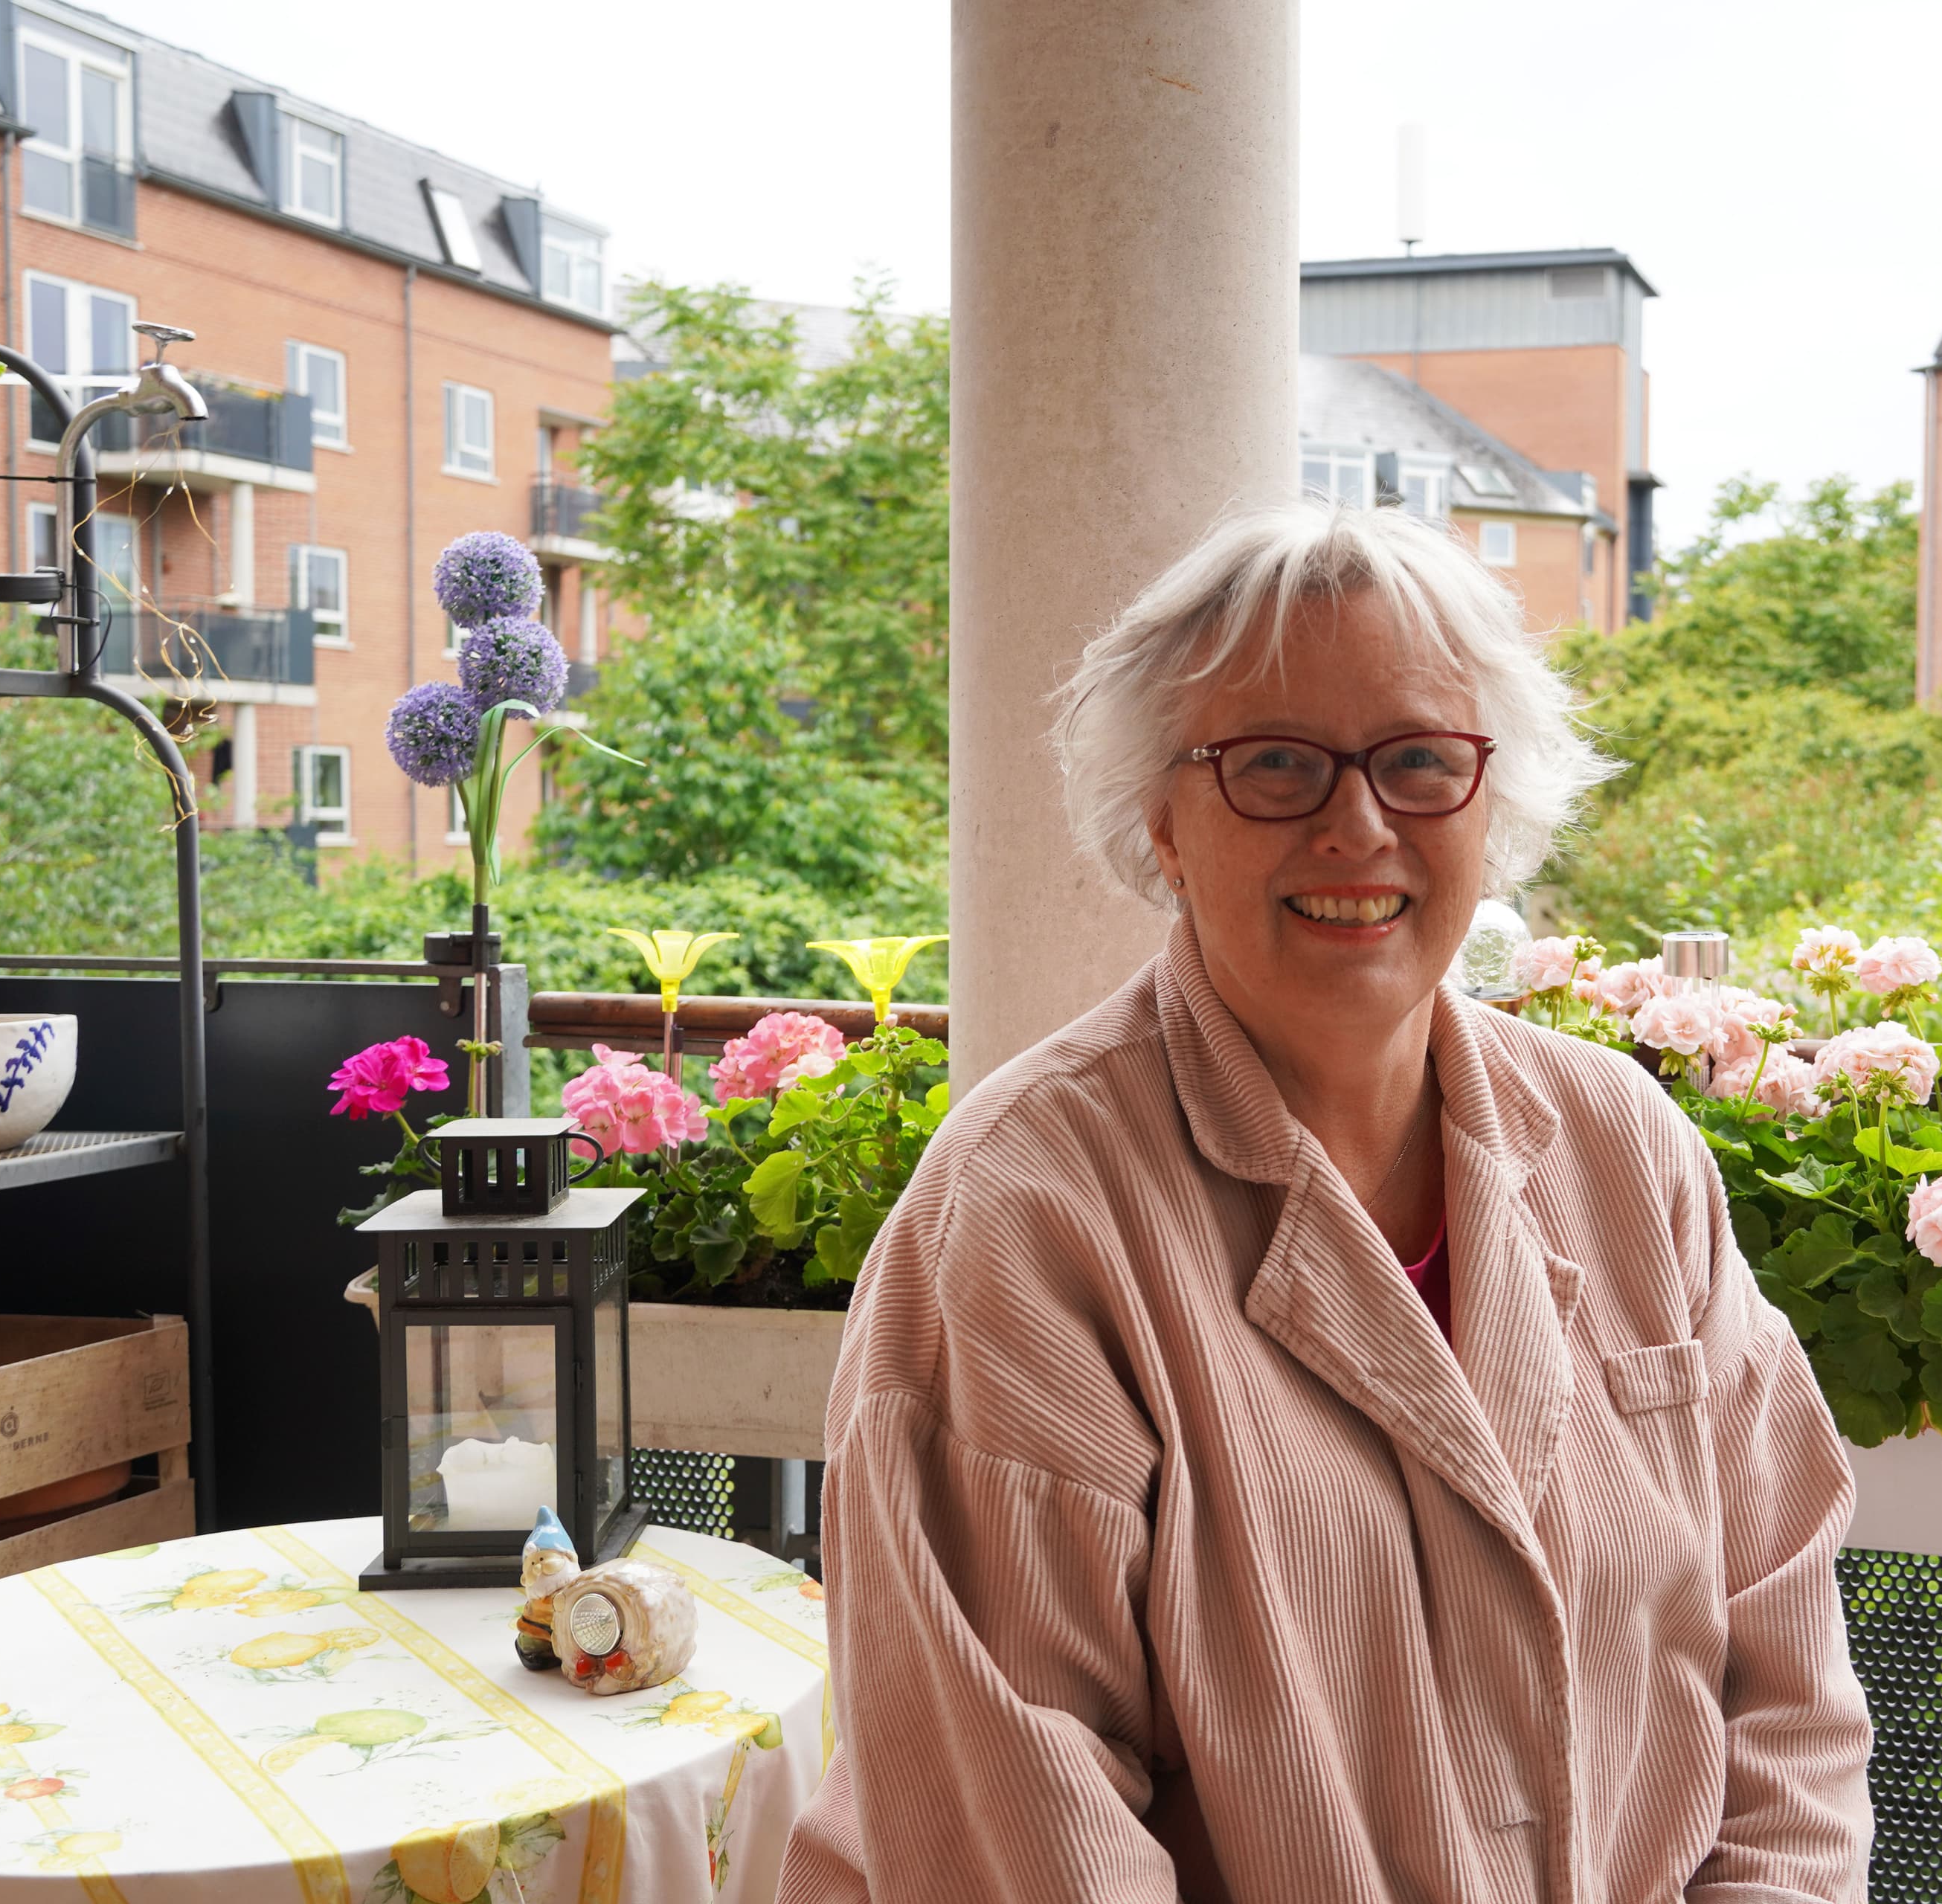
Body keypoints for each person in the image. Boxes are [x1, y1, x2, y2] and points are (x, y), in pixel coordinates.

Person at [779, 501, 1874, 1903]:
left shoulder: (1628, 1149)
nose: (1358, 824)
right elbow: (1029, 1837)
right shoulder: (1025, 1219)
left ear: (1491, 804)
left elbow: (1786, 1683)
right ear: (1164, 822)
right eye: (1276, 766)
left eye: (1419, 761)